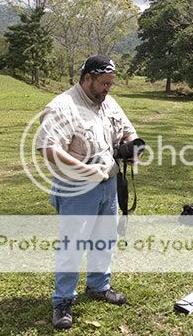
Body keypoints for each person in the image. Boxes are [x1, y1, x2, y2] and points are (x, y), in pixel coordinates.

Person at [36, 55, 139, 329]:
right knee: (73, 246)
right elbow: (49, 149)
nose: (107, 89)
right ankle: (62, 301)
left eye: (111, 84)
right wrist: (85, 170)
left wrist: (132, 149)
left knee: (105, 239)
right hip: (77, 188)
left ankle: (98, 285)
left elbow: (127, 132)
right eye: (103, 83)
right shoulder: (62, 106)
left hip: (108, 186)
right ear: (87, 78)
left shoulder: (108, 102)